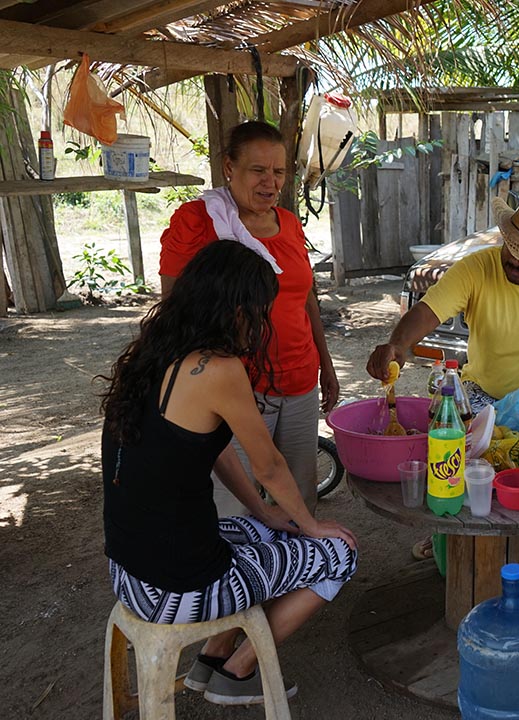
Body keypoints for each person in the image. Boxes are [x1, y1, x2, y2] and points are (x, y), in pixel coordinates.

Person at [101, 241, 357, 705]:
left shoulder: (154, 354)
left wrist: (267, 511)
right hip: (178, 590)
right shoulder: (217, 368)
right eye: (260, 312)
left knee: (267, 531)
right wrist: (312, 524)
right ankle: (237, 672)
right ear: (236, 309)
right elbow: (270, 466)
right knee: (338, 552)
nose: (261, 324)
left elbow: (215, 452)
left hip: (129, 574)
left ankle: (212, 658)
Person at [367, 191, 519, 564]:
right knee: (456, 451)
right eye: (512, 248)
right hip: (482, 391)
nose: (516, 261)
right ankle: (448, 528)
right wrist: (396, 345)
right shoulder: (476, 268)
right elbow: (427, 311)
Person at [159, 120, 337, 515]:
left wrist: (326, 365)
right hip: (235, 387)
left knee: (299, 495)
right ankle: (240, 576)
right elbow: (171, 309)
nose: (270, 182)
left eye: (278, 172)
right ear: (229, 167)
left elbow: (307, 298)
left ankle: (293, 573)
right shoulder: (196, 222)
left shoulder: (289, 223)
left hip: (299, 379)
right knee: (233, 505)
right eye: (258, 170)